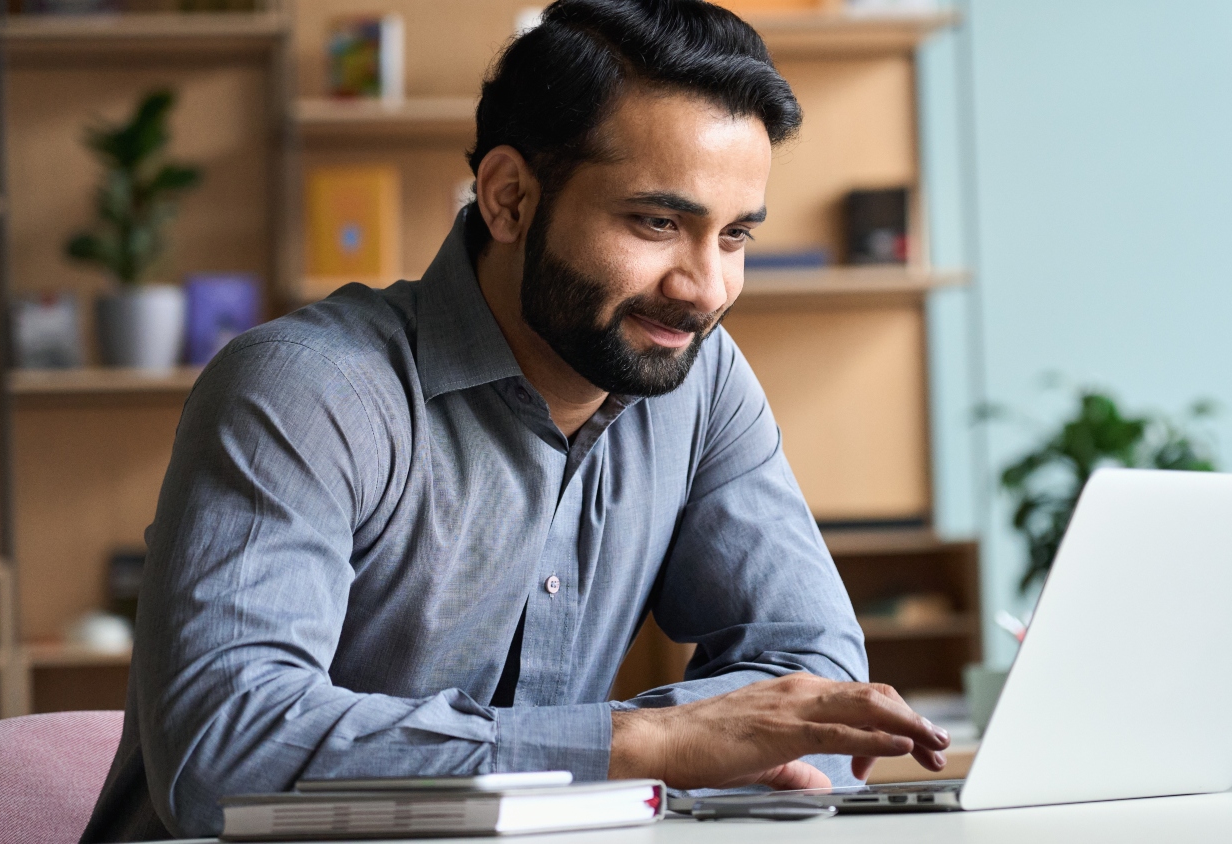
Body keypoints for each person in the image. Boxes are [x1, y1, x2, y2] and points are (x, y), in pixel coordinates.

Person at [81, 0, 949, 839]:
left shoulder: (701, 380)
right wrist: (644, 746)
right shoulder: (307, 390)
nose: (705, 289)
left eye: (733, 238)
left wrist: (701, 747)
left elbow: (817, 677)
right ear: (508, 198)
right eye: (656, 222)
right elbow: (224, 749)